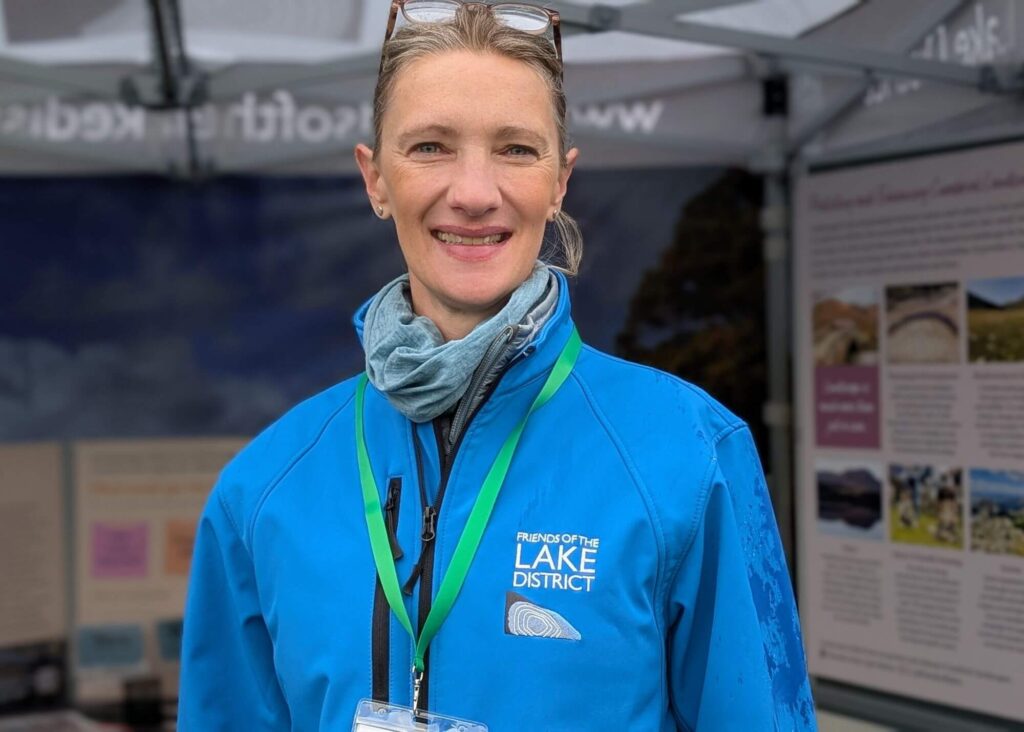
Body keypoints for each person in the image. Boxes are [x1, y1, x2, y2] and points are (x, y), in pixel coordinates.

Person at [178, 2, 816, 730]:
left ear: (561, 180)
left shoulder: (690, 453)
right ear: (375, 178)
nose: (475, 193)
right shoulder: (263, 487)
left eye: (516, 149)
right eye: (430, 147)